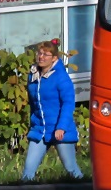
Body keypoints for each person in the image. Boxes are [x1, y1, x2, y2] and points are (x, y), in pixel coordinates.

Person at [22, 39, 84, 181]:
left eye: (46, 54)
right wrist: (33, 123)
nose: (41, 57)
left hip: (60, 130)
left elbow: (68, 104)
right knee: (28, 171)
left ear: (54, 58)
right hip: (40, 130)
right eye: (39, 53)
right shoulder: (33, 76)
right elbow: (34, 103)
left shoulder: (61, 77)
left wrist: (61, 127)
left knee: (71, 169)